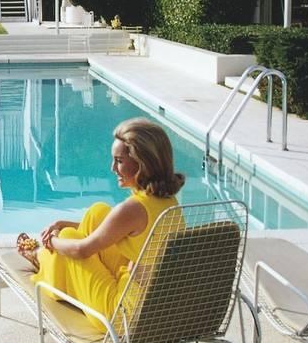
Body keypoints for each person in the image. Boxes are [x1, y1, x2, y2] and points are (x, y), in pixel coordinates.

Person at [17, 117, 184, 330]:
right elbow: (113, 228)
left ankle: (43, 258)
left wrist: (53, 241)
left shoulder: (133, 209)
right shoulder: (167, 201)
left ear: (143, 163)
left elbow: (82, 250)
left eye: (119, 161)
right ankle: (51, 262)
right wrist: (63, 222)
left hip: (121, 315)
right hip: (153, 305)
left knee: (69, 237)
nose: (112, 167)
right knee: (98, 213)